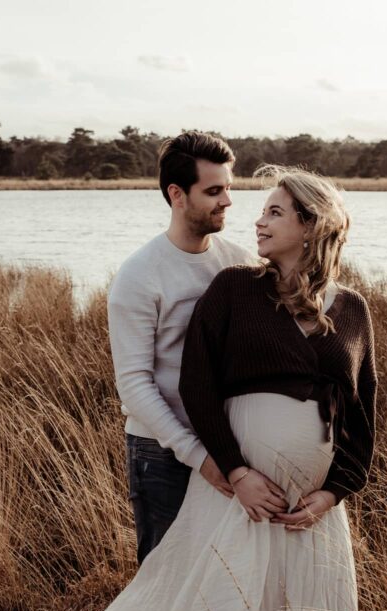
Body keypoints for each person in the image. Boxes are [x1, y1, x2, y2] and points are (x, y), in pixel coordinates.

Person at [59, 165, 377, 611]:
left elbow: (363, 413)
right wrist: (235, 471)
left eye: (274, 212)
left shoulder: (353, 309)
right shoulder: (235, 289)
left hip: (309, 511)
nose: (257, 221)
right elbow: (197, 387)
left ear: (312, 225)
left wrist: (334, 492)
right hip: (239, 496)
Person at [104, 131, 256, 566]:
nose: (227, 201)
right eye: (213, 191)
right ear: (177, 195)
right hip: (160, 452)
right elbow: (134, 384)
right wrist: (198, 456)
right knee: (163, 578)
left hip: (229, 446)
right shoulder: (139, 275)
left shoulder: (239, 262)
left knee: (221, 575)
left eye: (228, 188)